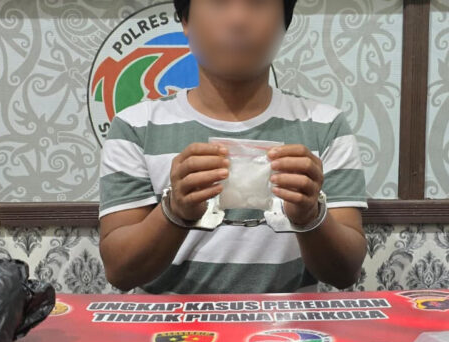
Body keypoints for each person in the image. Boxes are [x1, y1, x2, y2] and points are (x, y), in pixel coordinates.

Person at [98, 0, 367, 294]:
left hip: (284, 322)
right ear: (186, 21)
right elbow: (120, 271)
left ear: (284, 23)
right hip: (170, 323)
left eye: (257, 4)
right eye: (218, 3)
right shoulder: (135, 127)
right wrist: (175, 212)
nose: (238, 19)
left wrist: (310, 217)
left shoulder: (325, 126)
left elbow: (346, 273)